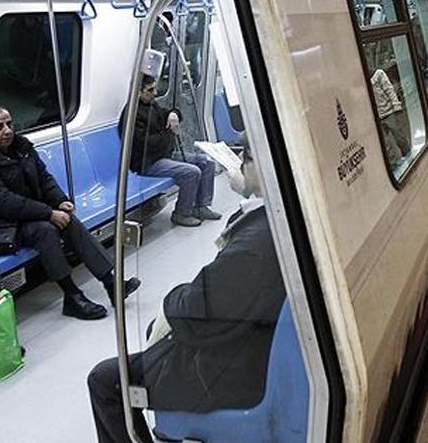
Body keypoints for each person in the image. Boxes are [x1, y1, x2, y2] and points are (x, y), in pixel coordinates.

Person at [87, 139, 286, 443]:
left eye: (245, 160)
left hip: (231, 370)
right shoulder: (279, 218)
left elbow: (195, 308)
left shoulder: (253, 244)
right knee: (154, 332)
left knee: (105, 379)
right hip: (252, 343)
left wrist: (173, 298)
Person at [0, 104, 140, 320]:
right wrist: (48, 213)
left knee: (68, 220)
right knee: (45, 229)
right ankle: (72, 296)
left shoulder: (21, 146)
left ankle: (112, 283)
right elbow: (2, 202)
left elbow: (44, 178)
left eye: (9, 124)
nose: (7, 130)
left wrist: (60, 201)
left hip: (25, 214)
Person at [118, 75, 220, 228]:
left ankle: (201, 206)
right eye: (150, 90)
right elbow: (147, 145)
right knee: (191, 172)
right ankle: (182, 213)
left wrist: (174, 114)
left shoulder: (151, 105)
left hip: (164, 155)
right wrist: (170, 133)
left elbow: (168, 114)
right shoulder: (131, 115)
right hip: (147, 162)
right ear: (137, 92)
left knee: (206, 162)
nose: (155, 93)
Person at [370, 64, 411, 162]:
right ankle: (394, 163)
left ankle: (408, 153)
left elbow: (389, 90)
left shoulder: (379, 74)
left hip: (389, 112)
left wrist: (396, 105)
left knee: (398, 136)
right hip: (378, 117)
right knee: (386, 144)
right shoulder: (363, 82)